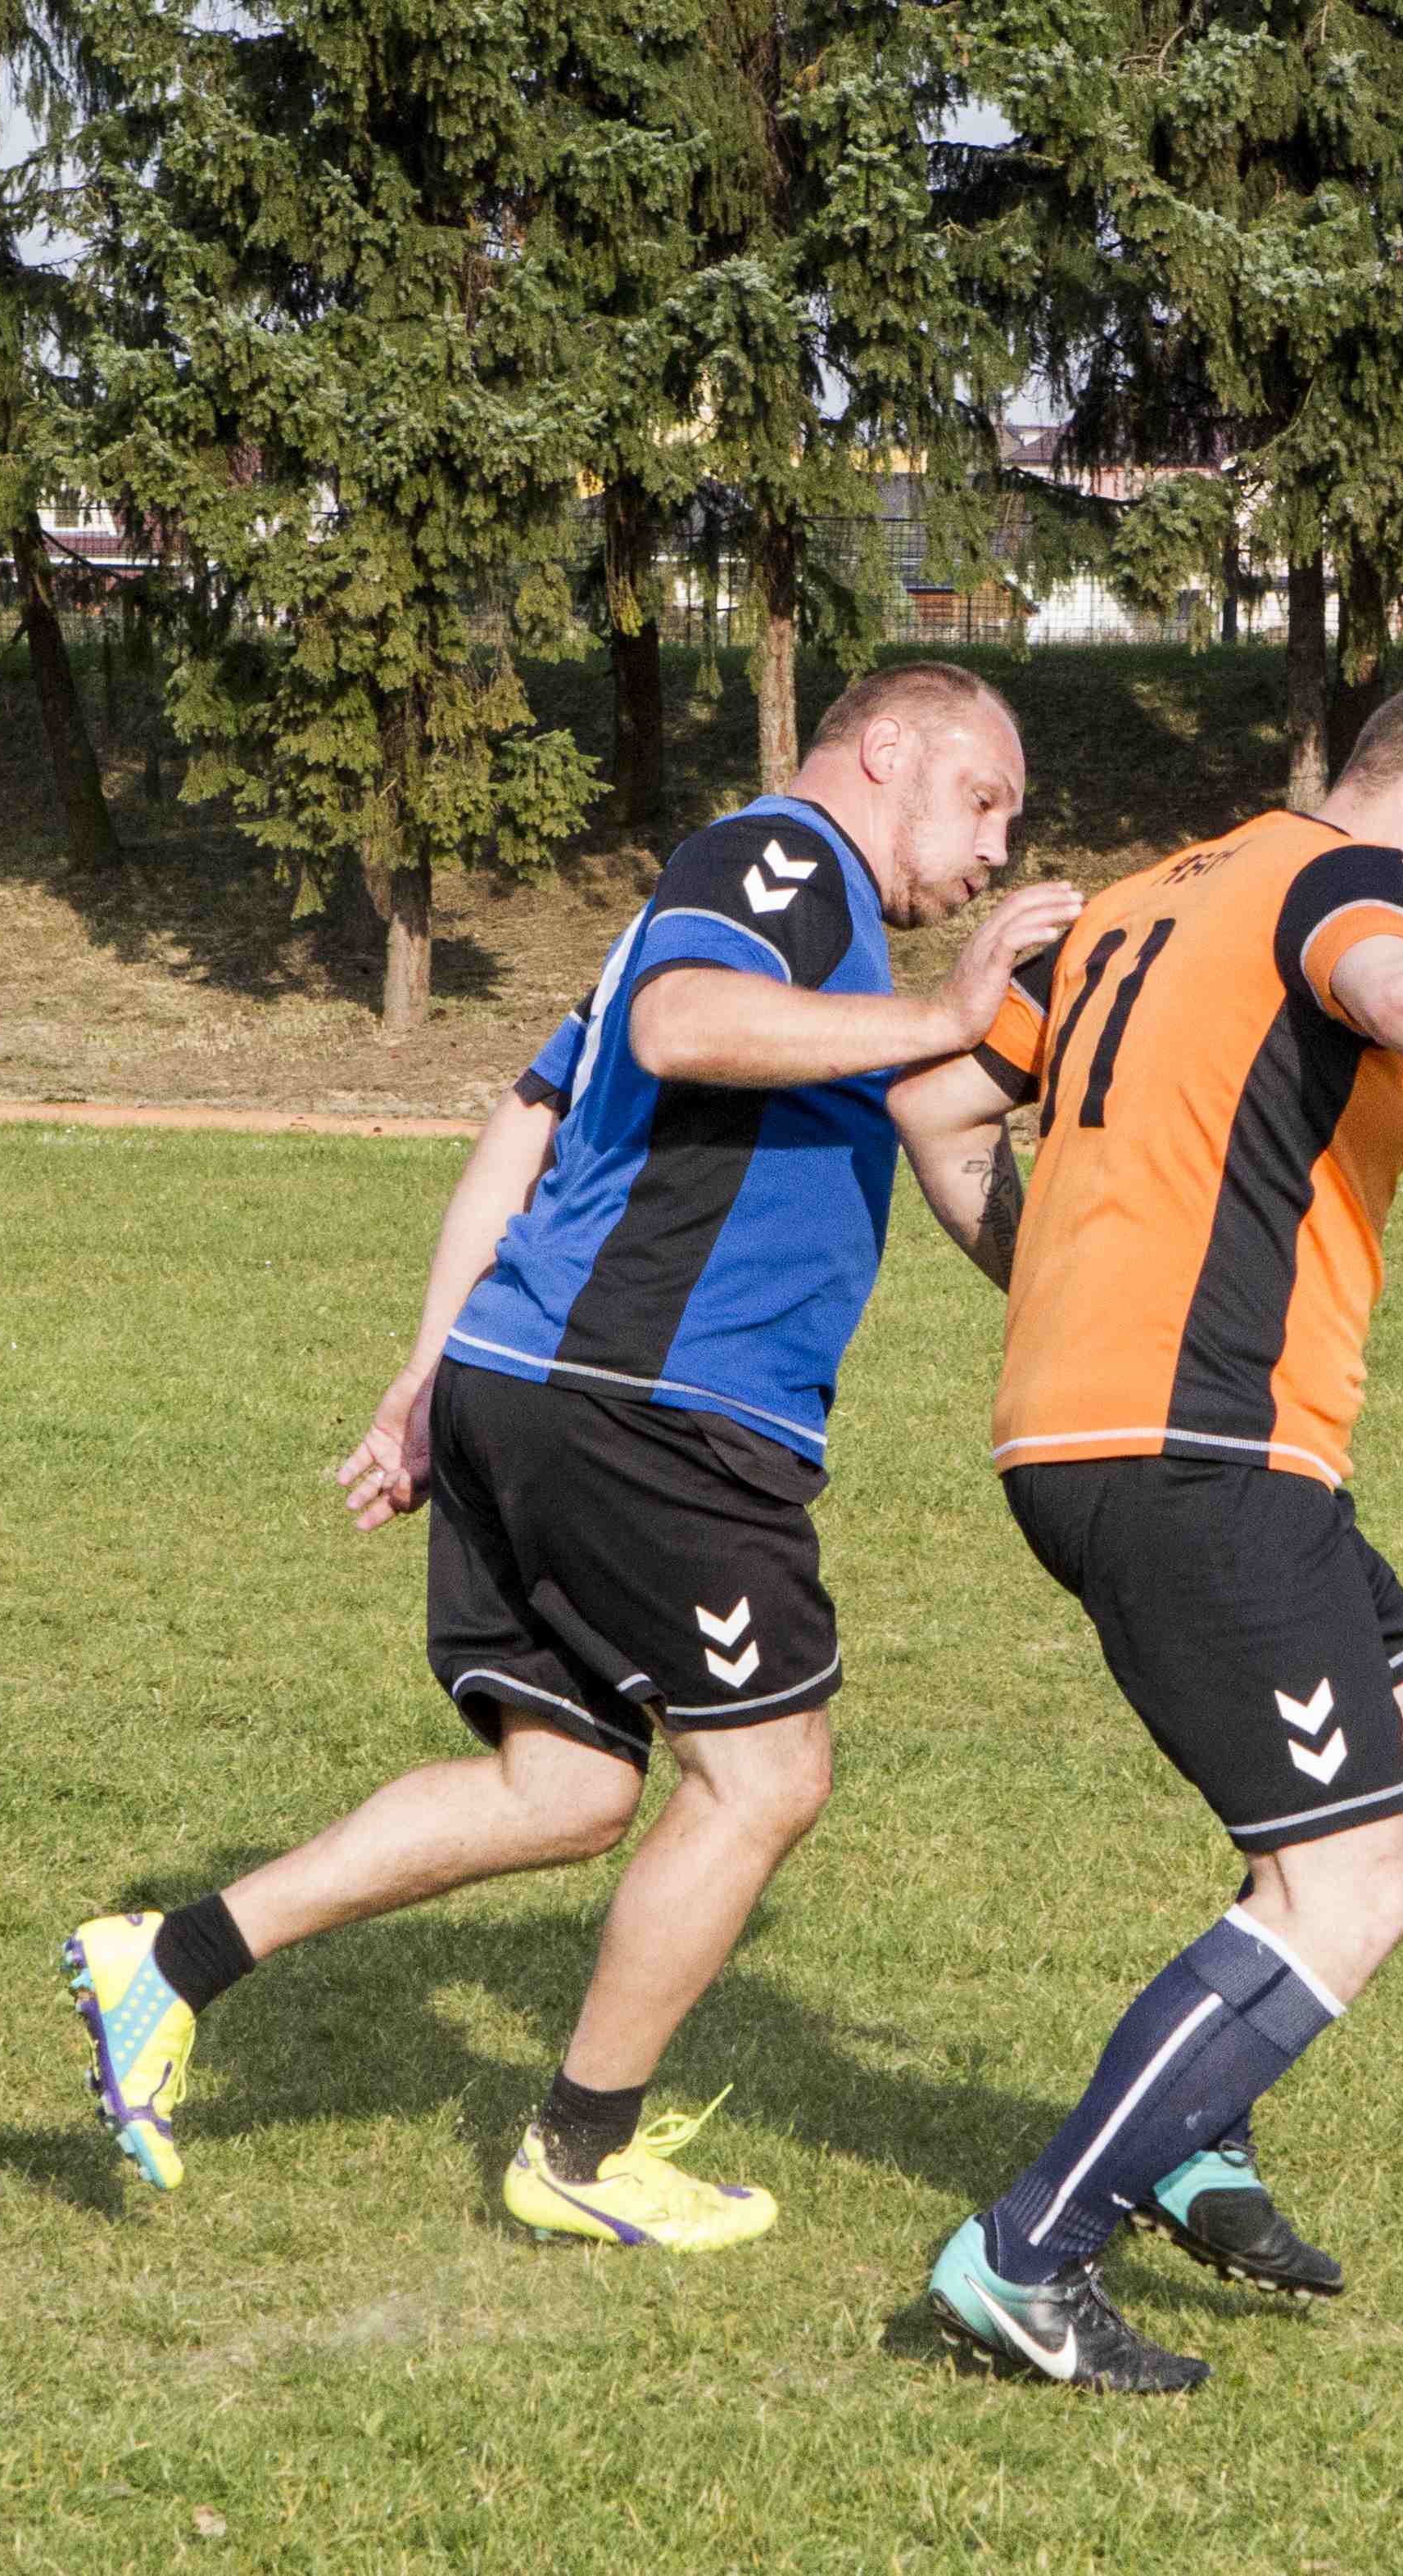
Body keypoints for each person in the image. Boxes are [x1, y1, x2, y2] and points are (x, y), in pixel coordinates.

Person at [63, 664, 1081, 2244]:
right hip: (647, 1402)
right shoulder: (785, 861)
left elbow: (525, 1122)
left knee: (564, 1783)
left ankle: (173, 1960)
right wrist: (950, 1010)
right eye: (984, 800)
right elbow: (680, 1031)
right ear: (887, 750)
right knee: (763, 1772)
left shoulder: (799, 942)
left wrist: (424, 1370)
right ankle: (581, 2153)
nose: (997, 849)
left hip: (531, 1380)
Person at [886, 658, 1403, 2390]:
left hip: (1152, 1434)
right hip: (1195, 1450)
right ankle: (1024, 2253)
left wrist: (1047, 1287)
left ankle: (1192, 2130)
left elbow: (934, 1096)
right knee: (1341, 1880)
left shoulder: (1148, 896)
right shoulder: (1349, 887)